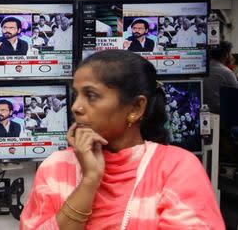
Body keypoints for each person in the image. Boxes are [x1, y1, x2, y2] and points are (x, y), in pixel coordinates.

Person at [20, 50, 225, 229]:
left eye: (91, 95)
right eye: (77, 95)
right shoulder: (56, 166)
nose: (76, 107)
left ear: (136, 108)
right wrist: (89, 181)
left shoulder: (176, 168)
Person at [203, 41, 238, 114]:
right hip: (223, 116)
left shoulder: (203, 70)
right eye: (230, 53)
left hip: (205, 113)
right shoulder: (227, 73)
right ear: (226, 54)